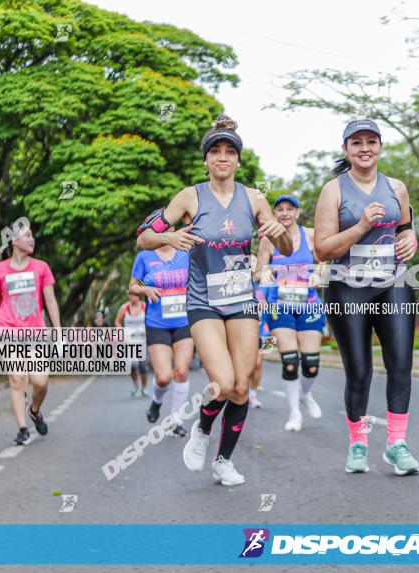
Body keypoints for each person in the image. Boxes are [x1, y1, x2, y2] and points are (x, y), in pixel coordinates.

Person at [137, 115, 293, 486]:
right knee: (221, 383)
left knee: (241, 386)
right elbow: (143, 237)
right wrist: (169, 239)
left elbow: (284, 248)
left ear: (238, 160)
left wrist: (279, 231)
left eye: (230, 151)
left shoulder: (255, 199)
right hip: (203, 301)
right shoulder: (190, 196)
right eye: (216, 151)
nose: (223, 157)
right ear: (206, 159)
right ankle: (203, 431)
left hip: (242, 300)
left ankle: (224, 461)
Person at [313, 119, 419, 474]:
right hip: (347, 287)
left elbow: (405, 228)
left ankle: (397, 444)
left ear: (380, 147)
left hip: (394, 283)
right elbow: (323, 249)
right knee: (359, 371)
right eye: (356, 142)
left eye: (371, 141)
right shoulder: (334, 190)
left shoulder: (397, 188)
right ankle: (358, 445)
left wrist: (411, 238)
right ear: (345, 149)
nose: (364, 148)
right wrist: (360, 226)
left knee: (400, 364)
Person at [0, 224, 60, 446]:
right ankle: (23, 428)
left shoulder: (41, 268)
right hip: (8, 331)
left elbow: (51, 301)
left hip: (35, 332)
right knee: (17, 380)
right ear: (13, 241)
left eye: (32, 235)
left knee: (40, 382)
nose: (32, 239)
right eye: (27, 235)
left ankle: (34, 411)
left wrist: (58, 331)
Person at [256, 194, 325, 431]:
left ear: (297, 212)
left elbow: (325, 261)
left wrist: (319, 275)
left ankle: (305, 395)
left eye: (289, 209)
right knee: (289, 361)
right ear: (275, 214)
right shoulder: (267, 240)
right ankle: (295, 412)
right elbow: (258, 272)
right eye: (280, 210)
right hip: (279, 305)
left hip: (309, 304)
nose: (284, 213)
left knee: (311, 364)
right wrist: (268, 276)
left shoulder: (311, 235)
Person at [130, 233, 192, 437]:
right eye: (159, 226)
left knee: (181, 372)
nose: (165, 229)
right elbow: (132, 286)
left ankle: (176, 421)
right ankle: (156, 402)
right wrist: (144, 289)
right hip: (157, 323)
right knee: (164, 377)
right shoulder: (145, 256)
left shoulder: (186, 253)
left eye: (169, 223)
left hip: (185, 321)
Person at [115, 292, 149, 397]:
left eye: (133, 294)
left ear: (138, 295)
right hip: (129, 341)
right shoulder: (124, 308)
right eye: (129, 294)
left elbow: (153, 319)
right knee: (132, 365)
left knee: (143, 367)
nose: (131, 296)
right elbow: (117, 322)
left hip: (143, 340)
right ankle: (135, 384)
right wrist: (122, 334)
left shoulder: (145, 306)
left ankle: (144, 388)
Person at [249, 282, 268, 409]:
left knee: (258, 363)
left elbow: (276, 301)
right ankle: (241, 390)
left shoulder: (269, 280)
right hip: (246, 329)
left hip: (266, 329)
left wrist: (267, 305)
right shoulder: (244, 279)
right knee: (246, 364)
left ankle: (252, 394)